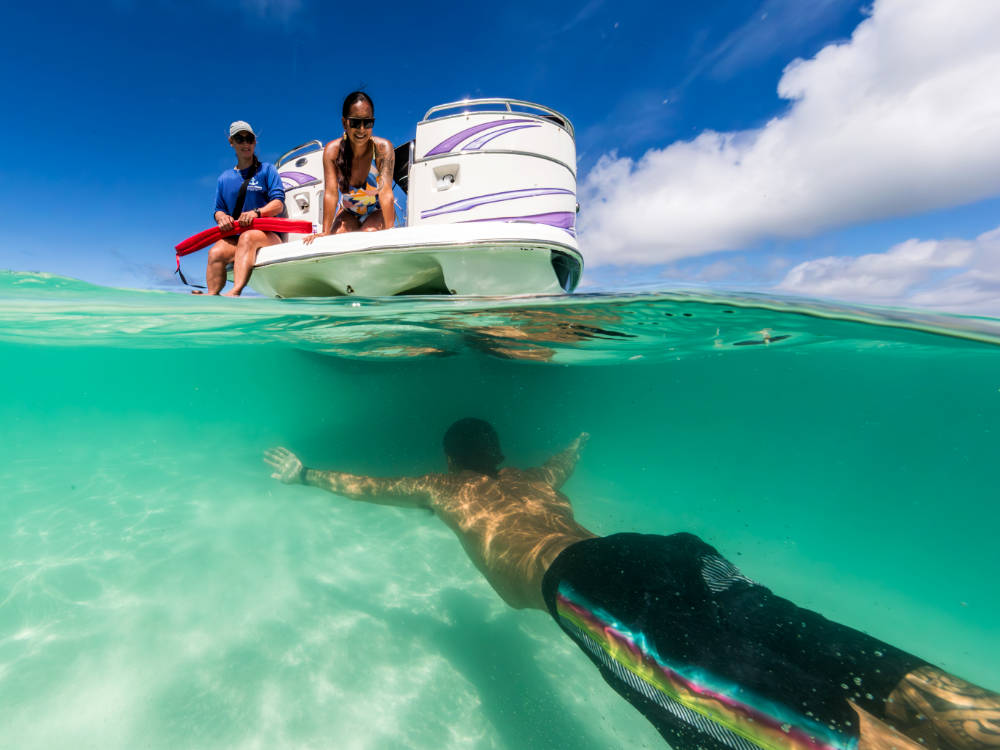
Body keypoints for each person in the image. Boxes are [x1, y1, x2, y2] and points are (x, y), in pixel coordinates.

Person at [264, 420, 999, 750]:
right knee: (819, 648)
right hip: (670, 554)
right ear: (495, 450)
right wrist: (577, 446)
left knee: (789, 719)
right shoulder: (532, 474)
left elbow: (366, 486)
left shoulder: (439, 487)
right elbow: (563, 462)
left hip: (586, 582)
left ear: (452, 456)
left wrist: (304, 476)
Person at [199, 120, 286, 296]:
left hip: (268, 237)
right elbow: (218, 209)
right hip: (237, 239)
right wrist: (221, 218)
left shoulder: (267, 170)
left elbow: (278, 205)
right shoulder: (224, 178)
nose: (246, 143)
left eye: (250, 139)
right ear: (231, 142)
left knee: (247, 237)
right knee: (215, 252)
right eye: (240, 139)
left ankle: (235, 292)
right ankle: (211, 296)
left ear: (255, 142)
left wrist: (257, 213)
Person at [304, 91, 395, 243]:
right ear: (344, 123)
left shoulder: (382, 149)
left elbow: (386, 193)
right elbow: (331, 193)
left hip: (377, 211)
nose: (361, 129)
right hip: (348, 212)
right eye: (355, 122)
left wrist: (390, 231)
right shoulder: (332, 151)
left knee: (369, 234)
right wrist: (325, 232)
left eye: (367, 123)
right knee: (337, 240)